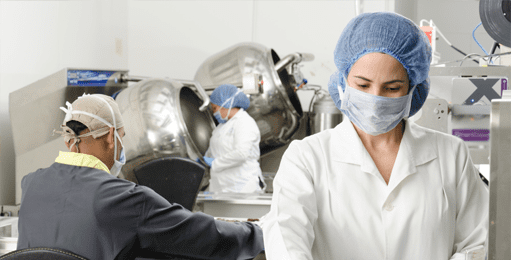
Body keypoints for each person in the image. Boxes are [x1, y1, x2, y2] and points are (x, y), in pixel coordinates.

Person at [262, 12, 489, 260]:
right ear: (343, 82)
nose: (376, 99)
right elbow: (286, 244)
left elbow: (478, 244)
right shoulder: (307, 157)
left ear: (414, 88)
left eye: (392, 88)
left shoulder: (450, 154)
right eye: (362, 85)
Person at [17, 93, 264, 260]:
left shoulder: (30, 184)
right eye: (122, 137)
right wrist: (259, 232)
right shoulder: (123, 198)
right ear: (112, 137)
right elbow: (203, 235)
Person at [204, 84, 265, 193]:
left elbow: (241, 153)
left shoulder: (244, 122)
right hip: (221, 187)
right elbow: (216, 149)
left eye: (215, 108)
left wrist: (214, 163)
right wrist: (204, 158)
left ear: (226, 103)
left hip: (242, 187)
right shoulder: (221, 126)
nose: (214, 113)